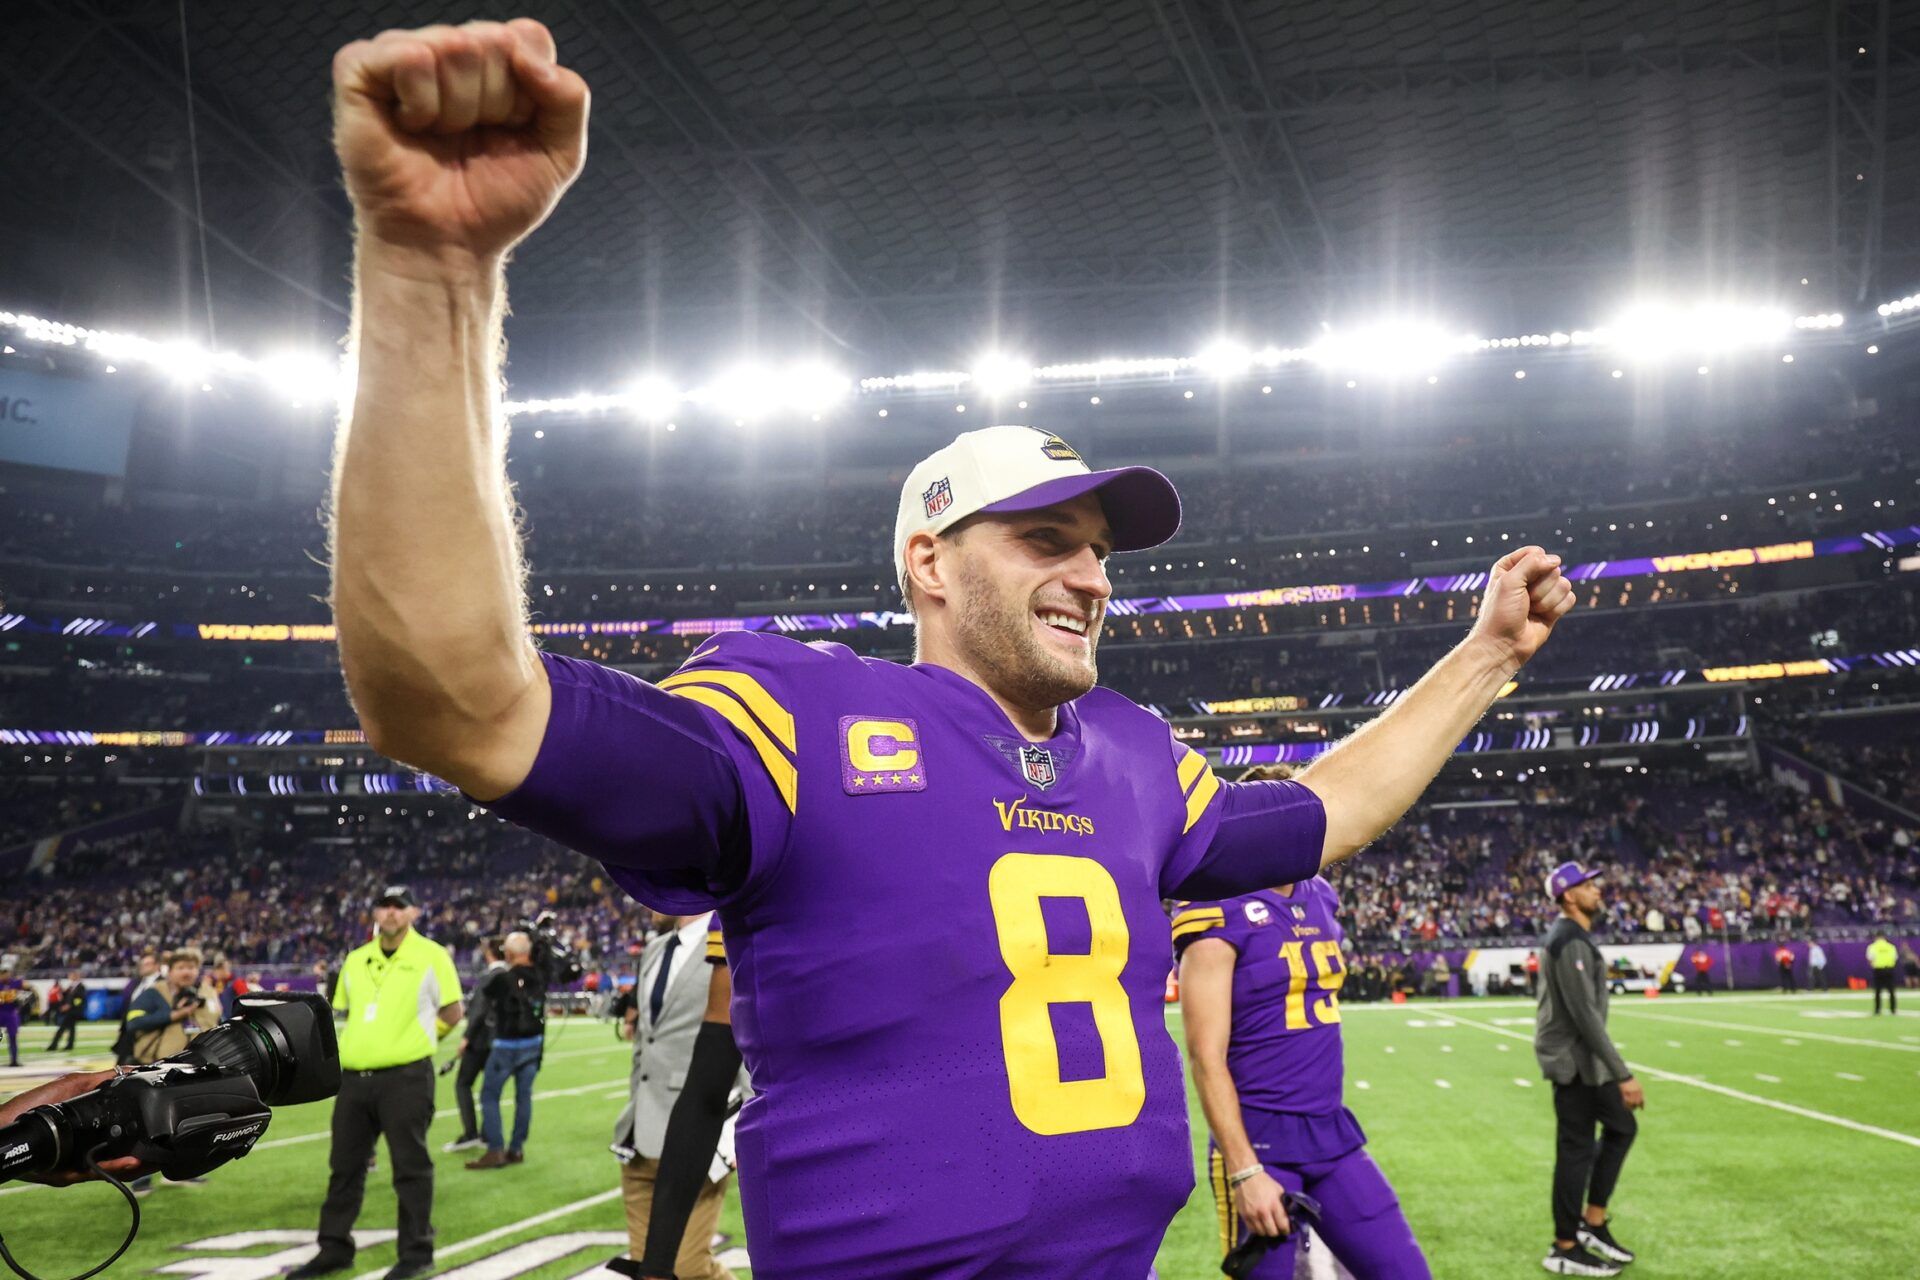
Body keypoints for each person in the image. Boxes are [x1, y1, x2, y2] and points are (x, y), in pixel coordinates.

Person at [326, 20, 1576, 1273]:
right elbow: (457, 705)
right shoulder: (798, 716)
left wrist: (1487, 655)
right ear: (929, 561)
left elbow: (1321, 813)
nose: (1090, 574)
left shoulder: (1136, 753)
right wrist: (434, 273)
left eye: (1098, 547)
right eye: (1045, 538)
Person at [1177, 763, 1430, 1279]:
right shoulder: (1216, 902)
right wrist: (1245, 1169)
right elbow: (1205, 1056)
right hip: (1260, 1140)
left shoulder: (1319, 892)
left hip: (1330, 1132)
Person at [288, 886, 463, 1280]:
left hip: (406, 1076)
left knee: (410, 1167)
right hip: (355, 1078)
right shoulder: (355, 958)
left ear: (413, 912)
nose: (390, 913)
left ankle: (417, 1252)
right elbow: (344, 1013)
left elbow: (453, 1011)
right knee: (344, 1167)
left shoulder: (432, 955)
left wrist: (420, 1039)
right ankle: (334, 1248)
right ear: (375, 913)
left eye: (399, 907)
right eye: (384, 906)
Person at [616, 913, 744, 1280]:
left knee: (688, 1268)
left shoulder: (729, 938)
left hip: (698, 1133)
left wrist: (738, 1130)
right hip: (639, 1131)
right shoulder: (655, 949)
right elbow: (645, 1041)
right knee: (649, 1269)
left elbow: (746, 1039)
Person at [1534, 864, 1642, 1277]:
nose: (1596, 890)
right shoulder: (1568, 941)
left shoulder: (1574, 938)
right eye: (1585, 885)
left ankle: (1592, 1223)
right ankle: (1564, 1246)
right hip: (1573, 1063)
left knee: (1621, 1128)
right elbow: (1585, 1016)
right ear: (1567, 896)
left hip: (1583, 1061)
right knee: (1576, 1149)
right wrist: (1623, 1074)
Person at [121, 948, 221, 1194]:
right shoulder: (155, 993)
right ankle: (139, 1177)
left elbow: (217, 1022)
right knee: (150, 1123)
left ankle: (180, 1171)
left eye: (191, 967)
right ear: (171, 970)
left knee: (188, 1124)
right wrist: (175, 1014)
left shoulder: (205, 992)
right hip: (157, 1067)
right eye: (181, 967)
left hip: (195, 1067)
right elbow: (133, 1022)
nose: (187, 972)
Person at [466, 930, 546, 1170]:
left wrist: (498, 963)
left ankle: (495, 1150)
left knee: (489, 1095)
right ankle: (517, 1149)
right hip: (533, 1044)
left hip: (506, 1045)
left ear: (509, 953)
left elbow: (487, 993)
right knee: (524, 1097)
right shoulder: (540, 976)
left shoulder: (502, 978)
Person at [443, 936, 505, 1154]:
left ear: (489, 953)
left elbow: (478, 1012)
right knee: (490, 1090)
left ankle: (471, 1133)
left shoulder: (489, 977)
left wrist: (466, 1038)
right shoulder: (509, 976)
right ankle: (489, 1134)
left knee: (463, 1084)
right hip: (500, 1042)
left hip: (480, 1041)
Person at [112, 952, 161, 1064]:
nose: (143, 966)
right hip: (129, 1033)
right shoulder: (135, 983)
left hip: (149, 1032)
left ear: (157, 965)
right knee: (121, 1068)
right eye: (142, 964)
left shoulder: (164, 982)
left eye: (147, 964)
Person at [46, 971, 85, 1052]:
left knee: (62, 1028)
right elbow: (67, 997)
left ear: (76, 976)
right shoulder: (71, 986)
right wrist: (62, 992)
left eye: (71, 975)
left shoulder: (81, 987)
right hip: (71, 1011)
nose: (69, 977)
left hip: (73, 1011)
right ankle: (69, 1045)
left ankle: (54, 1045)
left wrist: (69, 1006)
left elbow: (79, 999)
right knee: (71, 1029)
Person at [1867, 933, 1899, 1014]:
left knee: (1878, 991)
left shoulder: (1873, 946)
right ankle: (1893, 1009)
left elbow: (1870, 958)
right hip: (1889, 969)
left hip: (1878, 969)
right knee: (1891, 991)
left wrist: (1873, 965)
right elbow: (1894, 958)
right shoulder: (1891, 946)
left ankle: (1877, 1009)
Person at [0, 968, 25, 1067]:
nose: (6, 976)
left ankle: (14, 1060)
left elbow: (27, 986)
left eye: (7, 974)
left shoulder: (15, 983)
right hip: (1, 1012)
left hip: (11, 1013)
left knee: (13, 1037)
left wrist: (20, 998)